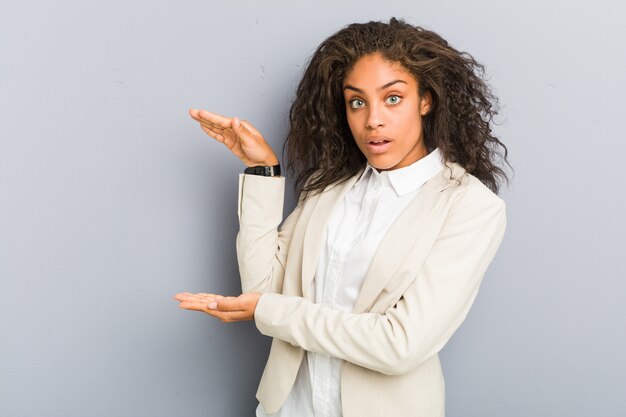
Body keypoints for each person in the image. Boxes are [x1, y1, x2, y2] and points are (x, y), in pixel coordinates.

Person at [174, 17, 509, 417]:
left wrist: (271, 311)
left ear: (426, 100)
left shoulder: (470, 207)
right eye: (357, 101)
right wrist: (262, 171)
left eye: (393, 98)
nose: (373, 120)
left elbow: (399, 345)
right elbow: (262, 286)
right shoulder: (329, 187)